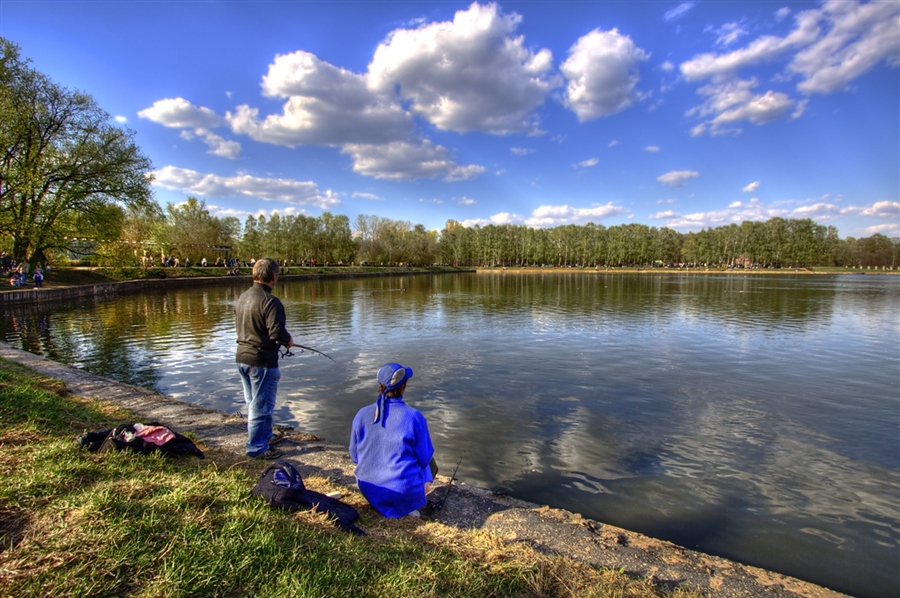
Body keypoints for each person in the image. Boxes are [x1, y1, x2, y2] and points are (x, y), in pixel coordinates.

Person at [349, 363, 435, 518]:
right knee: (429, 463)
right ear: (403, 387)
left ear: (380, 385)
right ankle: (409, 506)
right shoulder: (414, 416)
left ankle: (383, 501)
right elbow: (424, 459)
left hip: (367, 487)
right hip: (400, 491)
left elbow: (355, 457)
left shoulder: (362, 413)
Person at [234, 258, 294, 460]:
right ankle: (257, 448)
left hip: (242, 358)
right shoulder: (271, 302)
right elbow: (276, 333)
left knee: (253, 403)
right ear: (274, 277)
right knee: (262, 406)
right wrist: (288, 340)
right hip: (262, 362)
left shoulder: (242, 298)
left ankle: (265, 436)